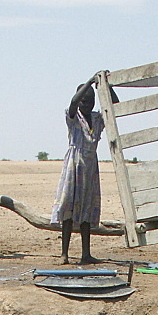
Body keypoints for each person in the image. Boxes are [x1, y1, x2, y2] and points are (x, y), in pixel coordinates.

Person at [50, 75, 118, 265]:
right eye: (83, 100)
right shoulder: (73, 117)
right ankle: (64, 254)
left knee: (87, 210)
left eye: (90, 100)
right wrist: (88, 82)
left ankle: (85, 254)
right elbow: (72, 102)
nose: (86, 104)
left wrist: (104, 85)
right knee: (69, 210)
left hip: (90, 167)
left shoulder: (97, 118)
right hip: (74, 164)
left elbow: (115, 107)